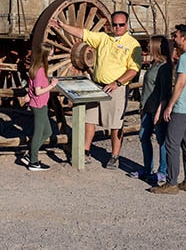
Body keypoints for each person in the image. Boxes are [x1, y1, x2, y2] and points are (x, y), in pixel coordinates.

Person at [49, 11, 142, 169]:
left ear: (127, 25)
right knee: (89, 120)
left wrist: (117, 83)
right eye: (114, 24)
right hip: (97, 86)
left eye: (121, 24)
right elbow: (83, 34)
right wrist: (63, 26)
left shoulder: (133, 45)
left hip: (116, 88)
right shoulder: (104, 38)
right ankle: (85, 151)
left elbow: (134, 69)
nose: (117, 27)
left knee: (115, 124)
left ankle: (114, 156)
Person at [151, 24, 186, 194]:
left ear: (183, 38)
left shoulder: (185, 58)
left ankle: (171, 182)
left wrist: (170, 105)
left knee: (172, 143)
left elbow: (180, 83)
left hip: (182, 109)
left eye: (176, 35)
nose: (174, 39)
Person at [129, 35, 172, 183]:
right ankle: (148, 169)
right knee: (143, 136)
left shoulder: (164, 67)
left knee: (161, 139)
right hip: (147, 108)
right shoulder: (154, 65)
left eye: (149, 44)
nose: (147, 47)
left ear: (156, 47)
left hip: (156, 109)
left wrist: (160, 111)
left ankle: (163, 171)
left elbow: (165, 92)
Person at [21, 42, 59, 171]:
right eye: (51, 55)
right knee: (38, 133)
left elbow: (31, 87)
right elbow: (38, 90)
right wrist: (52, 85)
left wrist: (28, 94)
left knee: (48, 132)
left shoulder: (36, 68)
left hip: (40, 104)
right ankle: (34, 162)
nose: (52, 57)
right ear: (44, 55)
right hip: (39, 105)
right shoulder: (40, 71)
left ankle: (30, 155)